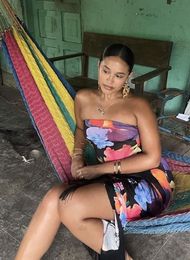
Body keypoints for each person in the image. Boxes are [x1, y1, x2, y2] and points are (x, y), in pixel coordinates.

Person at [15, 44, 175, 260]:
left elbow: (152, 157)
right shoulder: (83, 98)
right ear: (98, 66)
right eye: (106, 71)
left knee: (69, 206)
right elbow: (81, 129)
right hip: (108, 177)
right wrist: (78, 156)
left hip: (146, 182)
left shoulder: (138, 106)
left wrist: (97, 169)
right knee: (54, 197)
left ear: (129, 76)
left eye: (119, 76)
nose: (110, 80)